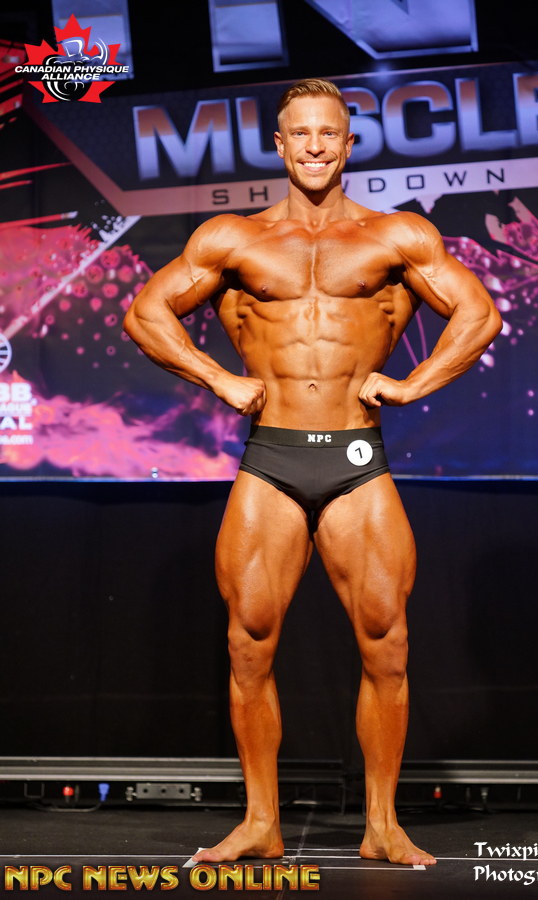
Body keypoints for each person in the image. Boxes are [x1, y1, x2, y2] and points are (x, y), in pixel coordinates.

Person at [123, 78, 502, 866]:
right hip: (272, 458)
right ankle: (261, 823)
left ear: (350, 143)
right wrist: (218, 380)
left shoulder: (396, 236)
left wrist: (413, 384)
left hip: (357, 459)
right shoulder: (234, 238)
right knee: (249, 643)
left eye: (329, 133)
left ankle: (382, 826)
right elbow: (146, 313)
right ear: (280, 144)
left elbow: (479, 314)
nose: (316, 146)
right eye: (301, 134)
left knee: (386, 644)